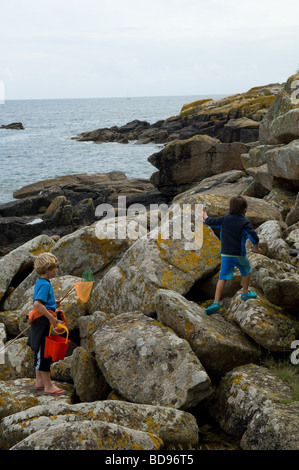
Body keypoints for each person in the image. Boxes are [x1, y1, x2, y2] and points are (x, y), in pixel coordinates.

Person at [203, 195, 262, 315]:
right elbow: (254, 237)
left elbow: (210, 222)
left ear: (230, 208)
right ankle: (245, 293)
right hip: (239, 255)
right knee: (247, 270)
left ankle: (215, 302)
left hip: (225, 255)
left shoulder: (224, 220)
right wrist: (257, 248)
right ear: (245, 210)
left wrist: (205, 216)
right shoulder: (245, 222)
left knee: (222, 277)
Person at [27, 252, 66, 395]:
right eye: (55, 268)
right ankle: (48, 386)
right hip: (43, 322)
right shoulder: (45, 285)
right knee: (45, 353)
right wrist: (50, 316)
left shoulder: (41, 282)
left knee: (39, 350)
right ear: (48, 270)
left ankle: (39, 381)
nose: (56, 270)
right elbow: (37, 304)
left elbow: (42, 301)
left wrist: (52, 304)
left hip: (40, 321)